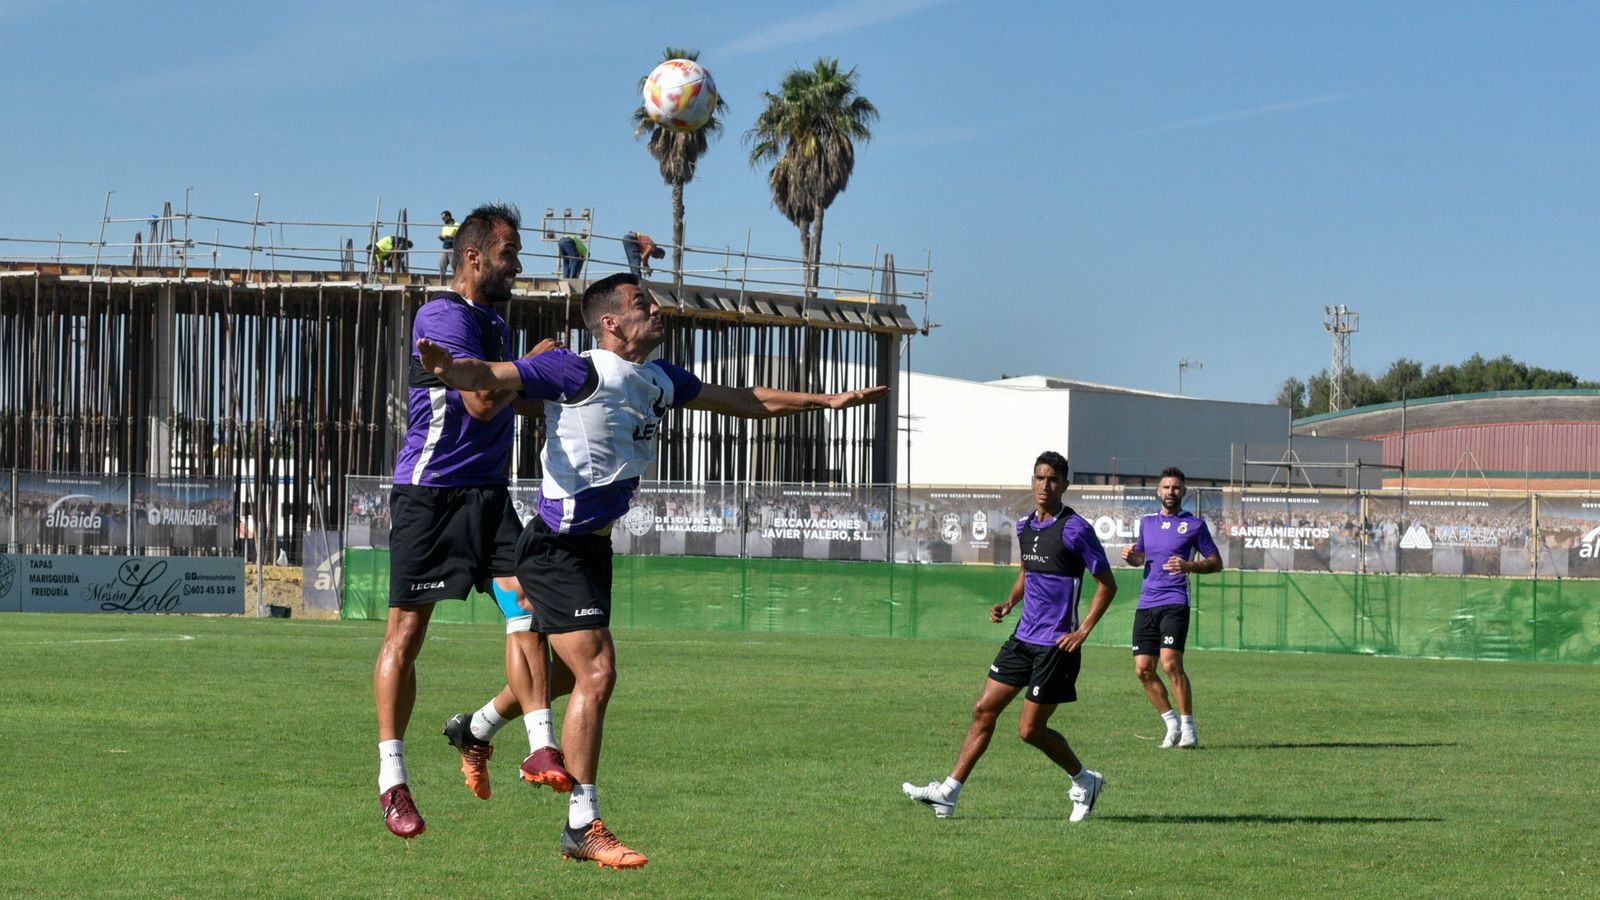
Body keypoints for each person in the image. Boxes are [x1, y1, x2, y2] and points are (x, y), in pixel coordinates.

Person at [418, 272, 888, 869]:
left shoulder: (658, 378)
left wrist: (823, 402)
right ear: (611, 322)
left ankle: (476, 728)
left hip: (591, 549)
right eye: (643, 303)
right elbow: (492, 378)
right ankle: (582, 825)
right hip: (555, 546)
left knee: (564, 678)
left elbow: (742, 400)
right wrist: (448, 368)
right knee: (598, 673)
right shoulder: (577, 369)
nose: (657, 309)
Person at [373, 202, 545, 840]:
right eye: (509, 254)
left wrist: (586, 383)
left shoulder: (494, 323)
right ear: (474, 257)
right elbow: (479, 401)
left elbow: (516, 397)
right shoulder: (440, 315)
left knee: (534, 609)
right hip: (431, 495)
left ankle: (496, 733)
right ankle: (393, 781)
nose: (518, 265)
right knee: (406, 637)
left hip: (487, 495)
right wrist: (535, 364)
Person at [901, 451, 1117, 823]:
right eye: (1039, 478)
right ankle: (948, 794)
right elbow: (1026, 572)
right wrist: (1010, 602)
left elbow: (1107, 585)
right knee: (983, 710)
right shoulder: (1024, 526)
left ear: (1064, 485)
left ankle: (1085, 781)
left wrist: (1082, 631)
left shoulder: (1076, 529)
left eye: (1052, 479)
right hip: (1022, 638)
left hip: (1055, 645)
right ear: (1031, 482)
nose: (1044, 485)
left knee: (1029, 730)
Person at [1121, 466, 1222, 749]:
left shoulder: (1194, 526)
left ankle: (1189, 727)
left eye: (1176, 487)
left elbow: (1217, 563)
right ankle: (1171, 723)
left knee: (1170, 663)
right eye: (1166, 487)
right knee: (1143, 669)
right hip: (1146, 604)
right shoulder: (1147, 523)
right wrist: (1132, 557)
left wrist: (1188, 565)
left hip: (1175, 601)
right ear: (1158, 491)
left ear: (1183, 492)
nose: (1170, 492)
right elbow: (1141, 559)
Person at [438, 211, 459, 278]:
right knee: (441, 264)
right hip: (445, 248)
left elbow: (459, 236)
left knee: (453, 266)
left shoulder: (457, 225)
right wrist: (441, 237)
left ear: (448, 217)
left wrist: (447, 237)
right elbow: (444, 239)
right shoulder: (444, 226)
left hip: (452, 248)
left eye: (444, 218)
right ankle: (441, 279)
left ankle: (456, 279)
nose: (443, 220)